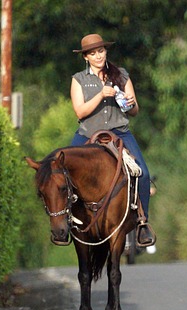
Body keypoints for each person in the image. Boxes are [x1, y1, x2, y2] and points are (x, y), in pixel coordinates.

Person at [70, 33, 155, 247]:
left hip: (120, 132)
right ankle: (67, 221)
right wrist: (100, 95)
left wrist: (130, 102)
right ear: (85, 57)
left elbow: (134, 111)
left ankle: (142, 223)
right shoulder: (79, 79)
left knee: (143, 174)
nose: (98, 56)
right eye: (92, 53)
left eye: (101, 51)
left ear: (106, 52)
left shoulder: (121, 75)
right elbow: (79, 112)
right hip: (88, 133)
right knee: (64, 172)